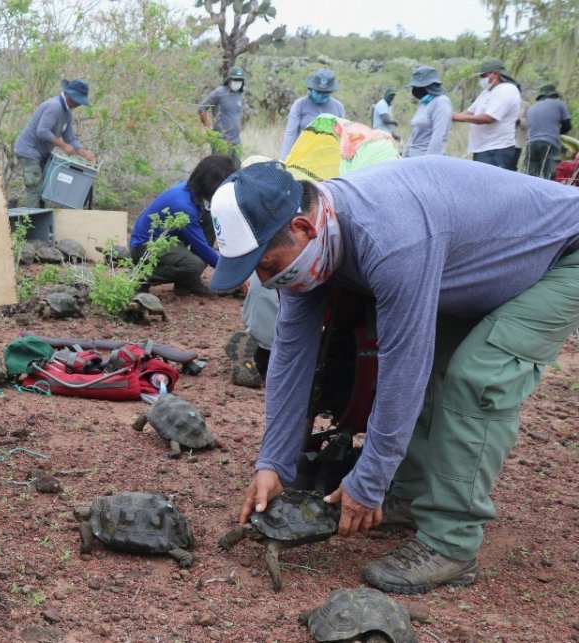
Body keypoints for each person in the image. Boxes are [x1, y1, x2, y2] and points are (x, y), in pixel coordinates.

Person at [207, 158, 579, 595]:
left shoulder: (389, 241)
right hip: (480, 263)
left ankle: (451, 543)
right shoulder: (318, 241)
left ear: (303, 228)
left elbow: (403, 369)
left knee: (477, 377)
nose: (265, 280)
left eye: (267, 265)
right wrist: (273, 463)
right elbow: (292, 357)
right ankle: (411, 493)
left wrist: (369, 479)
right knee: (436, 365)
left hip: (563, 253)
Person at [129, 155, 238, 296]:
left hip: (167, 242)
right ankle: (140, 278)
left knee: (209, 219)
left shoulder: (193, 193)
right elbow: (202, 247)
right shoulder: (183, 206)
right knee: (194, 265)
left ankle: (187, 282)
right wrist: (234, 275)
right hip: (145, 247)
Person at [12, 79, 96, 207]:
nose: (79, 104)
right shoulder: (54, 106)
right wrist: (63, 146)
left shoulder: (67, 114)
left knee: (44, 188)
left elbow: (70, 139)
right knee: (34, 187)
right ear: (70, 96)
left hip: (41, 153)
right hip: (28, 150)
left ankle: (39, 219)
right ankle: (31, 224)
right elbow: (42, 131)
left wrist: (85, 154)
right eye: (79, 100)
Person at [452, 58, 522, 170]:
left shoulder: (507, 90)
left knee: (493, 185)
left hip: (497, 149)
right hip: (482, 148)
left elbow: (489, 118)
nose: (482, 79)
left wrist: (459, 116)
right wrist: (452, 116)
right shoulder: (486, 92)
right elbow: (471, 111)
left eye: (484, 76)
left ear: (495, 74)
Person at [278, 69, 345, 160]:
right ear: (311, 89)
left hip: (328, 157)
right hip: (303, 155)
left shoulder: (338, 107)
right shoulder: (300, 104)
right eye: (318, 92)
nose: (321, 96)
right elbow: (290, 133)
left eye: (325, 93)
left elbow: (342, 136)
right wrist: (283, 160)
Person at [198, 66, 247, 165]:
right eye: (235, 80)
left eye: (240, 80)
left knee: (236, 172)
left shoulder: (240, 94)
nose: (237, 82)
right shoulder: (219, 92)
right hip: (221, 142)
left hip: (236, 143)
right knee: (220, 173)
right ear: (229, 80)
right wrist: (210, 132)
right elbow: (202, 108)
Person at [523, 84, 573, 179]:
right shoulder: (559, 104)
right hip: (549, 143)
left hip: (531, 144)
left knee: (529, 176)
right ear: (553, 95)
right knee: (549, 176)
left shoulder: (531, 108)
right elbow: (567, 126)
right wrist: (557, 133)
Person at [403, 67, 453, 158]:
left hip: (427, 159)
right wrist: (404, 156)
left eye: (418, 86)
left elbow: (438, 136)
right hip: (413, 158)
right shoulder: (424, 103)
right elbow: (414, 135)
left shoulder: (441, 102)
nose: (415, 89)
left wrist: (427, 161)